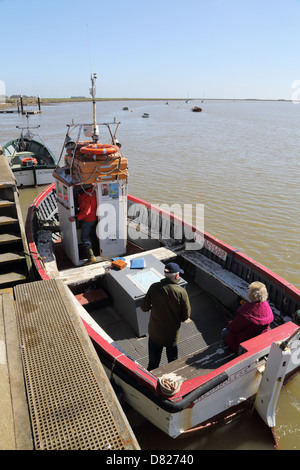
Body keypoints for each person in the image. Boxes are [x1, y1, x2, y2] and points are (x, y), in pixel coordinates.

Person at [140, 262, 191, 371]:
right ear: (177, 276)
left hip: (155, 333)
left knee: (153, 365)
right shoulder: (181, 292)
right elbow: (186, 315)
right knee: (173, 365)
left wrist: (150, 310)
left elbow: (144, 307)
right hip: (171, 336)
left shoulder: (154, 287)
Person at [223, 281, 274, 353]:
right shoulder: (267, 307)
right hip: (259, 341)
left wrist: (229, 323)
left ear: (251, 295)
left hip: (242, 343)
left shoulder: (246, 313)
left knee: (224, 332)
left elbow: (233, 328)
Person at [69, 184, 98, 264]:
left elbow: (86, 212)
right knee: (92, 235)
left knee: (84, 238)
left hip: (87, 220)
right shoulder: (94, 192)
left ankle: (91, 257)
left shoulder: (86, 196)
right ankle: (97, 252)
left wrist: (76, 217)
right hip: (94, 218)